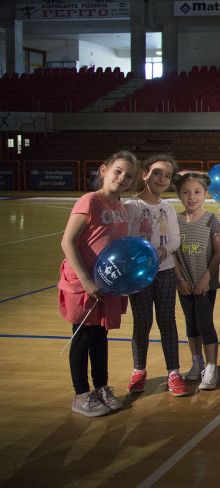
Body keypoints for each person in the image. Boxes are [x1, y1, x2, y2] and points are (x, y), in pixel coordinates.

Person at [59, 151, 137, 417]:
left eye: (129, 175)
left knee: (100, 336)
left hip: (106, 284)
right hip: (83, 283)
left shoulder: (121, 207)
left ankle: (101, 387)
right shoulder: (90, 200)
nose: (122, 178)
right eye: (118, 171)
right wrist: (85, 279)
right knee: (83, 338)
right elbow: (67, 241)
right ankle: (81, 393)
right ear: (104, 170)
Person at [125, 154, 184, 396]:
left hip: (165, 271)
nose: (162, 178)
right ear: (145, 173)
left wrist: (161, 250)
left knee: (167, 322)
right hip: (139, 276)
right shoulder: (130, 207)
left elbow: (175, 239)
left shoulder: (168, 208)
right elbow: (125, 240)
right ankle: (139, 370)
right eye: (157, 172)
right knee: (142, 323)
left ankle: (174, 372)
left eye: (168, 175)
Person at [174, 172, 220, 391]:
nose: (191, 197)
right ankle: (197, 363)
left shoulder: (211, 220)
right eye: (185, 192)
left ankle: (211, 367)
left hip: (205, 284)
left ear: (205, 194)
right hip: (184, 283)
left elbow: (219, 253)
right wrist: (179, 279)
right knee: (191, 324)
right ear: (178, 194)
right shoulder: (174, 221)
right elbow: (172, 253)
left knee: (205, 323)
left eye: (196, 192)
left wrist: (206, 278)